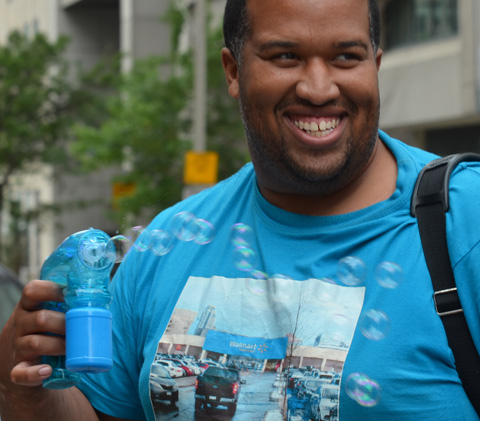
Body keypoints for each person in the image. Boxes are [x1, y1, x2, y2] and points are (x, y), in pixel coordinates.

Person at [1, 0, 480, 419]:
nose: (318, 88)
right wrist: (19, 386)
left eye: (345, 57)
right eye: (285, 56)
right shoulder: (169, 244)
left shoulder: (466, 220)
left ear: (375, 64)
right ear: (233, 71)